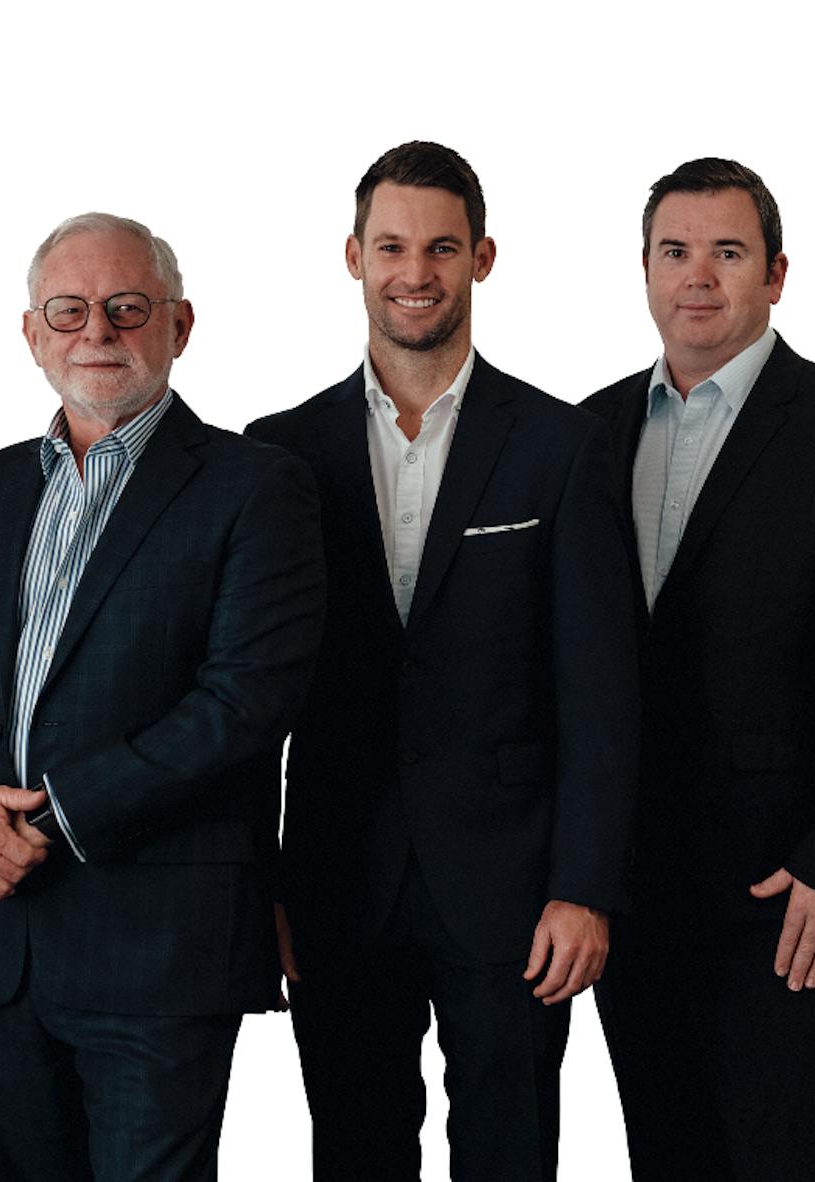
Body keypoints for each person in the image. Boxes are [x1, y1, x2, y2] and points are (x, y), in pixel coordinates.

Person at [0, 212, 325, 1182]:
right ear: (31, 335)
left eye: (127, 308)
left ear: (179, 325)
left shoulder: (255, 487)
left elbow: (245, 702)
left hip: (159, 945)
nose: (97, 333)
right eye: (68, 312)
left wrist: (54, 816)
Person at [246, 141, 640, 1182]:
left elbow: (601, 693)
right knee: (354, 1156)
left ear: (482, 258)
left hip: (514, 892)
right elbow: (249, 699)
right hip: (336, 882)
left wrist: (584, 887)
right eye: (390, 247)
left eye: (440, 248)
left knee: (510, 1158)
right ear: (353, 257)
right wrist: (260, 884)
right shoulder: (279, 453)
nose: (413, 272)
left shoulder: (560, 446)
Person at [579, 157, 815, 1181]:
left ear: (775, 273)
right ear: (645, 271)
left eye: (727, 253)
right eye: (674, 252)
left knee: (789, 1158)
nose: (698, 276)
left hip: (788, 890)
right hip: (630, 885)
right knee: (665, 1155)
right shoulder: (585, 431)